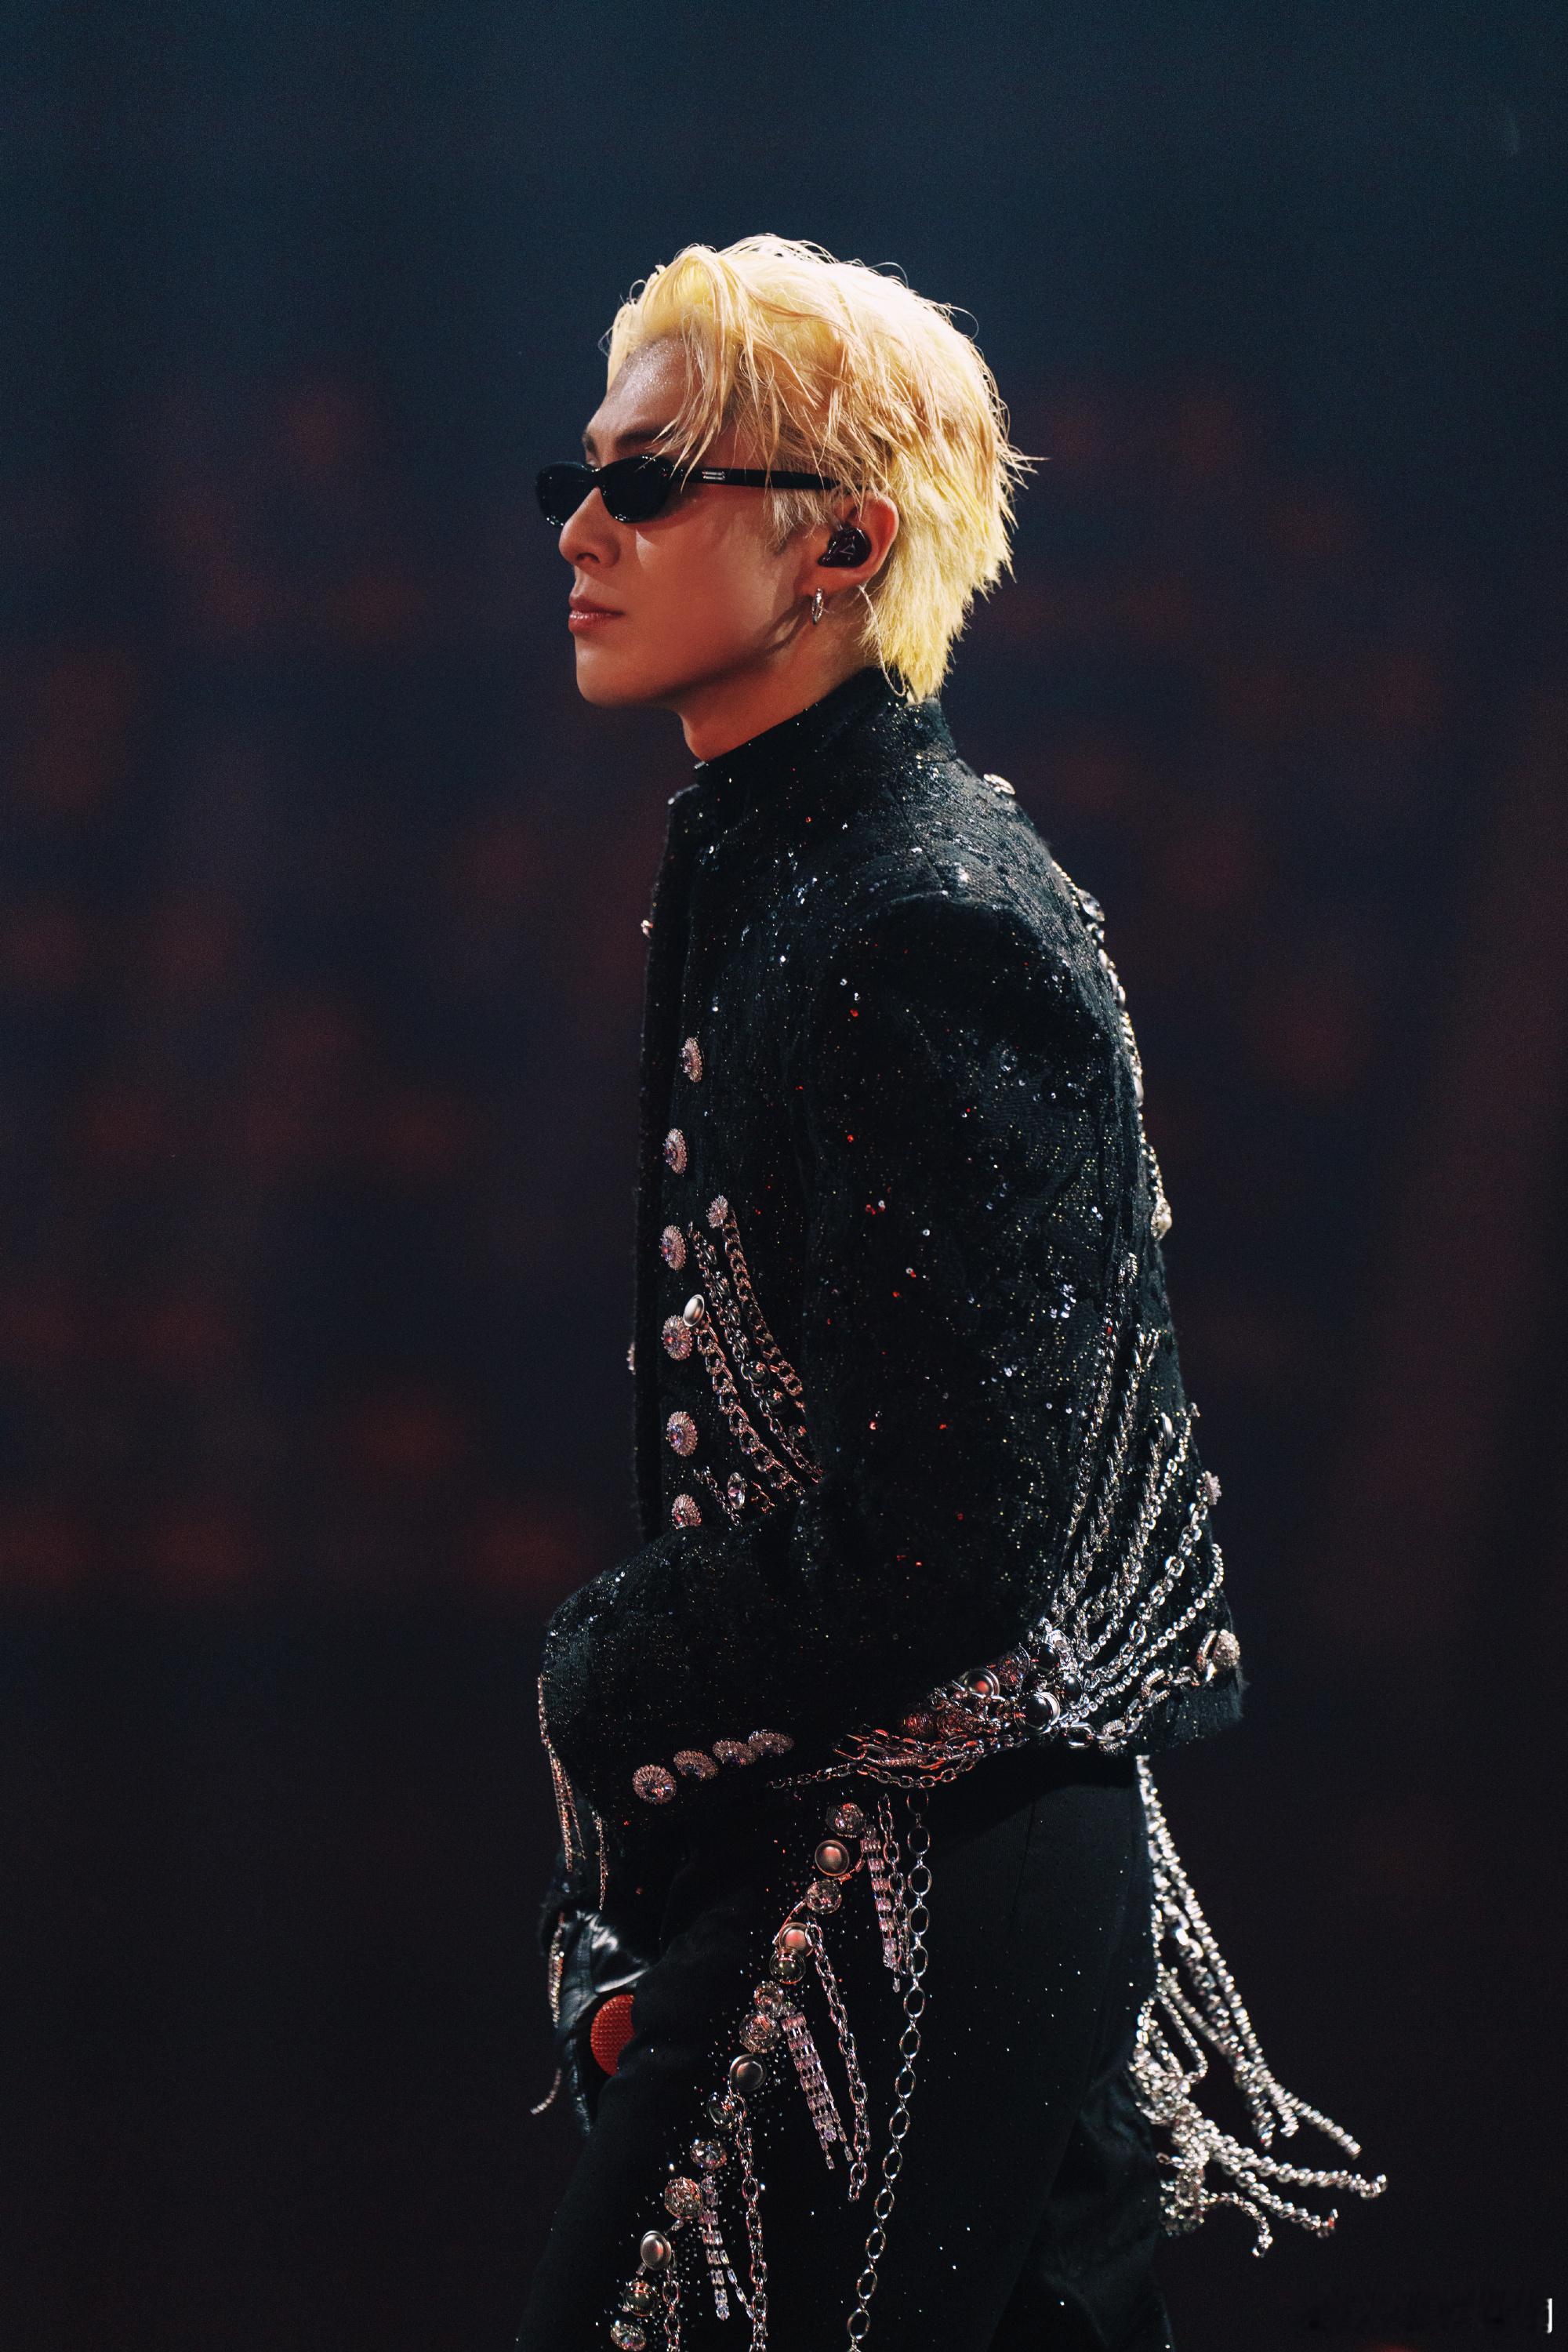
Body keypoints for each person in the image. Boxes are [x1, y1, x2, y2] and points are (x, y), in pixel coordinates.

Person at [517, 235, 1381, 2352]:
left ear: (846, 542)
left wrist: (607, 1671)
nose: (581, 529)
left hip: (906, 1875)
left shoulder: (918, 921)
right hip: (884, 1849)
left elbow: (949, 1548)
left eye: (648, 482)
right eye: (581, 476)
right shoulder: (799, 868)